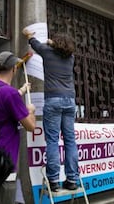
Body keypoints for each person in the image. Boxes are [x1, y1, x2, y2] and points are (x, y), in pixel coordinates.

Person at [22, 29, 79, 192]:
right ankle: (72, 180)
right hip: (69, 100)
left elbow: (33, 42)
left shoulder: (47, 51)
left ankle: (53, 181)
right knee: (70, 141)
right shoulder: (71, 58)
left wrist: (29, 34)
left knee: (53, 141)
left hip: (53, 100)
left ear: (55, 42)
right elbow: (58, 48)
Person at [0, 51, 36, 203]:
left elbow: (6, 101)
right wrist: (31, 111)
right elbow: (30, 126)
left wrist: (21, 89)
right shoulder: (10, 93)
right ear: (14, 68)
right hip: (6, 160)